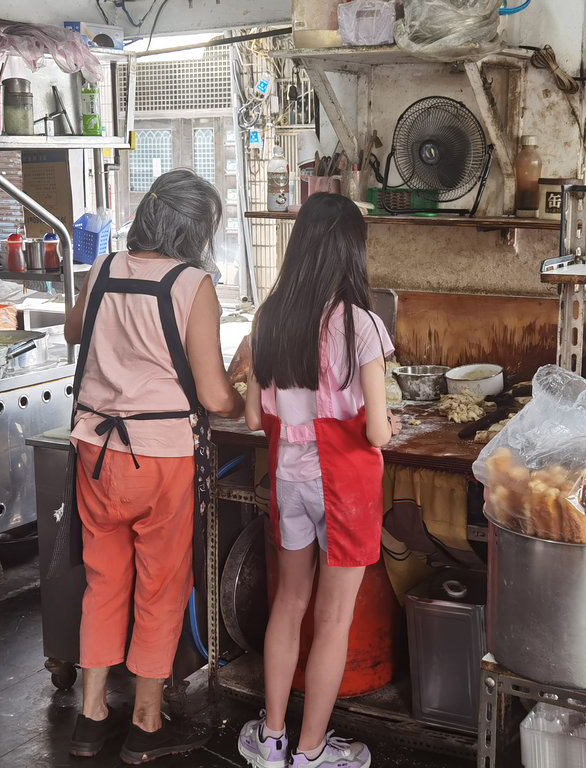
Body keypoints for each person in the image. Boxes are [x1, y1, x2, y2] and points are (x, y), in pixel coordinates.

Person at [63, 169, 244, 764]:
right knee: (161, 587)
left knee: (103, 580)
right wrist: (245, 396)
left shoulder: (105, 267)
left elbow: (74, 331)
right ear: (195, 231)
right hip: (159, 458)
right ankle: (145, 721)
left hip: (94, 449)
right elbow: (215, 398)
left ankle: (89, 720)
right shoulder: (193, 284)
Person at [237, 193, 401, 768]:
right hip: (346, 486)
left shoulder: (269, 317)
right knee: (332, 619)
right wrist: (388, 420)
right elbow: (378, 433)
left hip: (288, 476)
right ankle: (310, 753)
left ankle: (272, 738)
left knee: (288, 603)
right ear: (350, 253)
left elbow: (255, 417)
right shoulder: (361, 324)